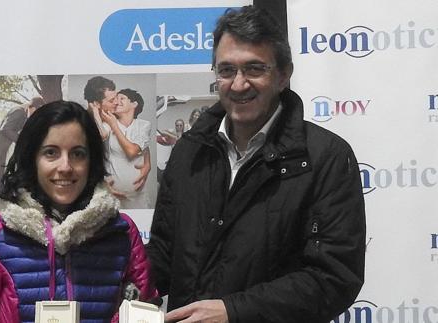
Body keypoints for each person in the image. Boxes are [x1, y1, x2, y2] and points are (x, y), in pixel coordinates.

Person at [146, 5, 366, 323]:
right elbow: (164, 255)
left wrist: (234, 312)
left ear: (283, 75)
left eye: (254, 69)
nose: (238, 84)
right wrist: (105, 278)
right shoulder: (188, 152)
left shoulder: (326, 157)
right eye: (226, 70)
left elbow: (333, 278)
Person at [0, 101, 158, 323]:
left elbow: (144, 311)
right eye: (51, 153)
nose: (65, 166)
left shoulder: (122, 233)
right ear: (33, 159)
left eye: (78, 154)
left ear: (92, 161)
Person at [83, 76, 151, 206]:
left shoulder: (113, 116)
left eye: (118, 97)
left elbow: (140, 143)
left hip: (134, 197)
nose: (116, 102)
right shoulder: (83, 123)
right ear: (97, 104)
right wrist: (100, 184)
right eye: (112, 100)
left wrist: (147, 163)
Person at [100, 88, 152, 209]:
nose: (117, 102)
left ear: (134, 104)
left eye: (121, 98)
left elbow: (132, 151)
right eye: (115, 99)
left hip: (139, 197)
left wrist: (147, 161)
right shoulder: (108, 124)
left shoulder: (143, 125)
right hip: (113, 197)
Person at [0, 96, 45, 202]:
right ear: (30, 106)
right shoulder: (18, 111)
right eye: (35, 113)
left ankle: (5, 201)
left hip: (7, 147)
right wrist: (22, 140)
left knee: (6, 178)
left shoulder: (26, 113)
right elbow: (4, 129)